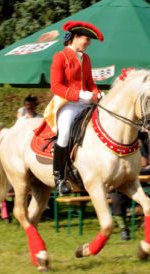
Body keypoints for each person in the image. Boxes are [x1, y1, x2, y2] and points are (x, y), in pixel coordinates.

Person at [44, 20, 104, 195]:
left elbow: (90, 83)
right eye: (86, 39)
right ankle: (59, 178)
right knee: (64, 135)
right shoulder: (60, 57)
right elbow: (56, 86)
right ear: (75, 38)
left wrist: (97, 93)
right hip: (67, 103)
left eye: (89, 40)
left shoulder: (86, 58)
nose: (88, 43)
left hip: (85, 102)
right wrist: (78, 94)